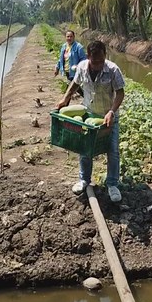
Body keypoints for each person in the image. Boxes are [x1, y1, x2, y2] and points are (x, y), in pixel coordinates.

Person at [55, 40, 125, 203]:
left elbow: (120, 93)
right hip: (89, 114)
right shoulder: (81, 67)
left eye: (101, 60)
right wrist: (65, 99)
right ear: (88, 57)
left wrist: (111, 111)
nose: (99, 64)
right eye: (95, 61)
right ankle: (84, 180)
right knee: (85, 149)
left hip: (109, 116)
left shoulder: (113, 69)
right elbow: (75, 83)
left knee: (112, 151)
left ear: (104, 56)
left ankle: (112, 184)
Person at [54, 30, 86, 97]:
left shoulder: (78, 47)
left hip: (75, 71)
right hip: (67, 71)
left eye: (71, 36)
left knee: (70, 89)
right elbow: (61, 59)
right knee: (74, 88)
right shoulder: (64, 46)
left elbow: (84, 59)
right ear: (65, 37)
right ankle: (87, 98)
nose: (69, 38)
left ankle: (65, 103)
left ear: (74, 37)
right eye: (67, 36)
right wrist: (57, 68)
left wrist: (78, 66)